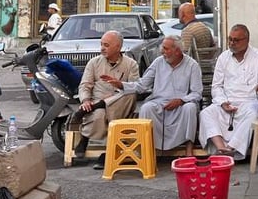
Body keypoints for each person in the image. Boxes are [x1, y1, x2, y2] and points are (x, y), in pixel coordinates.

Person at [101, 36, 201, 157]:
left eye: (165, 48)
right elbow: (142, 85)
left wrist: (181, 100)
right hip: (159, 103)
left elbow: (196, 93)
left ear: (177, 51)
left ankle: (188, 150)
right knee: (146, 108)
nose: (162, 51)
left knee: (190, 108)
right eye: (162, 48)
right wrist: (121, 84)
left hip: (182, 104)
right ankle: (147, 150)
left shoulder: (192, 65)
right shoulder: (158, 62)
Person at [199, 24, 258, 160]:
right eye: (230, 39)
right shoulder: (223, 58)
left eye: (236, 40)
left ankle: (232, 148)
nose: (232, 43)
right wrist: (223, 102)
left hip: (248, 101)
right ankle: (221, 147)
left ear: (247, 40)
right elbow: (216, 86)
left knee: (253, 112)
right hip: (226, 101)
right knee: (206, 113)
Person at [73, 30, 139, 167]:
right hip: (97, 102)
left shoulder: (131, 64)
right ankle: (105, 150)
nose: (102, 48)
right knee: (100, 113)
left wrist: (120, 85)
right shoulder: (94, 63)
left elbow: (136, 87)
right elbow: (85, 85)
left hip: (121, 103)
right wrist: (85, 100)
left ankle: (101, 106)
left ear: (118, 47)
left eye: (107, 45)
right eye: (101, 44)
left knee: (129, 93)